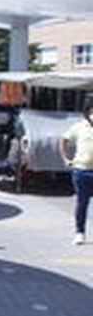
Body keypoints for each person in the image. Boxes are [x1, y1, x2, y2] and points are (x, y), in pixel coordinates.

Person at [60, 100, 93, 245]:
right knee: (82, 203)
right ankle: (80, 232)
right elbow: (63, 140)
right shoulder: (79, 127)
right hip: (81, 171)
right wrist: (66, 158)